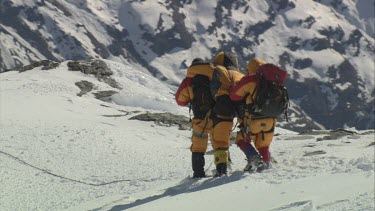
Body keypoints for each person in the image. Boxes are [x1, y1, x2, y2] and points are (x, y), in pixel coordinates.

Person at [230, 58, 274, 172]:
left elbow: (235, 95)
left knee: (241, 139)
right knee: (263, 144)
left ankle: (253, 158)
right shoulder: (273, 80)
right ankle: (266, 163)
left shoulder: (250, 79)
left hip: (254, 119)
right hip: (271, 120)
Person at [175, 58, 215, 178]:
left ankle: (198, 173)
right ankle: (222, 169)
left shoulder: (188, 81)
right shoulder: (216, 75)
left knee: (198, 146)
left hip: (200, 117)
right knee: (220, 143)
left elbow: (180, 100)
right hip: (217, 116)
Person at [210, 51, 244, 176]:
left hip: (223, 108)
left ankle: (221, 169)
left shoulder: (218, 71)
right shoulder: (240, 75)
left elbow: (214, 92)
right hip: (241, 108)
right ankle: (255, 158)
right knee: (246, 135)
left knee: (220, 141)